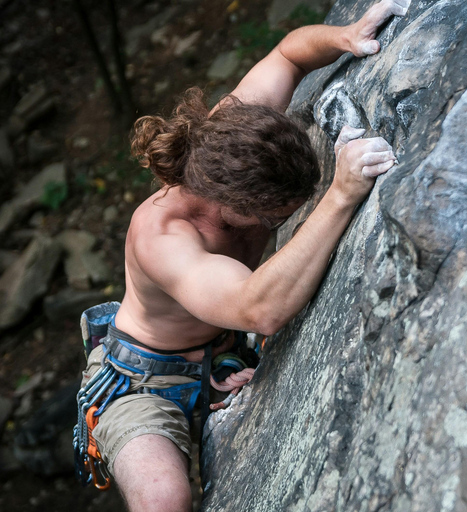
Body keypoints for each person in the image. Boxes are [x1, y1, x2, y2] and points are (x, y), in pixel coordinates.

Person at [76, 1, 411, 510]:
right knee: (165, 500)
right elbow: (263, 309)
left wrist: (347, 35)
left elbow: (288, 56)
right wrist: (341, 194)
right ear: (231, 204)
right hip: (144, 380)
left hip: (224, 345)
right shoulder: (163, 234)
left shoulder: (233, 135)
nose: (284, 219)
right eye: (275, 215)